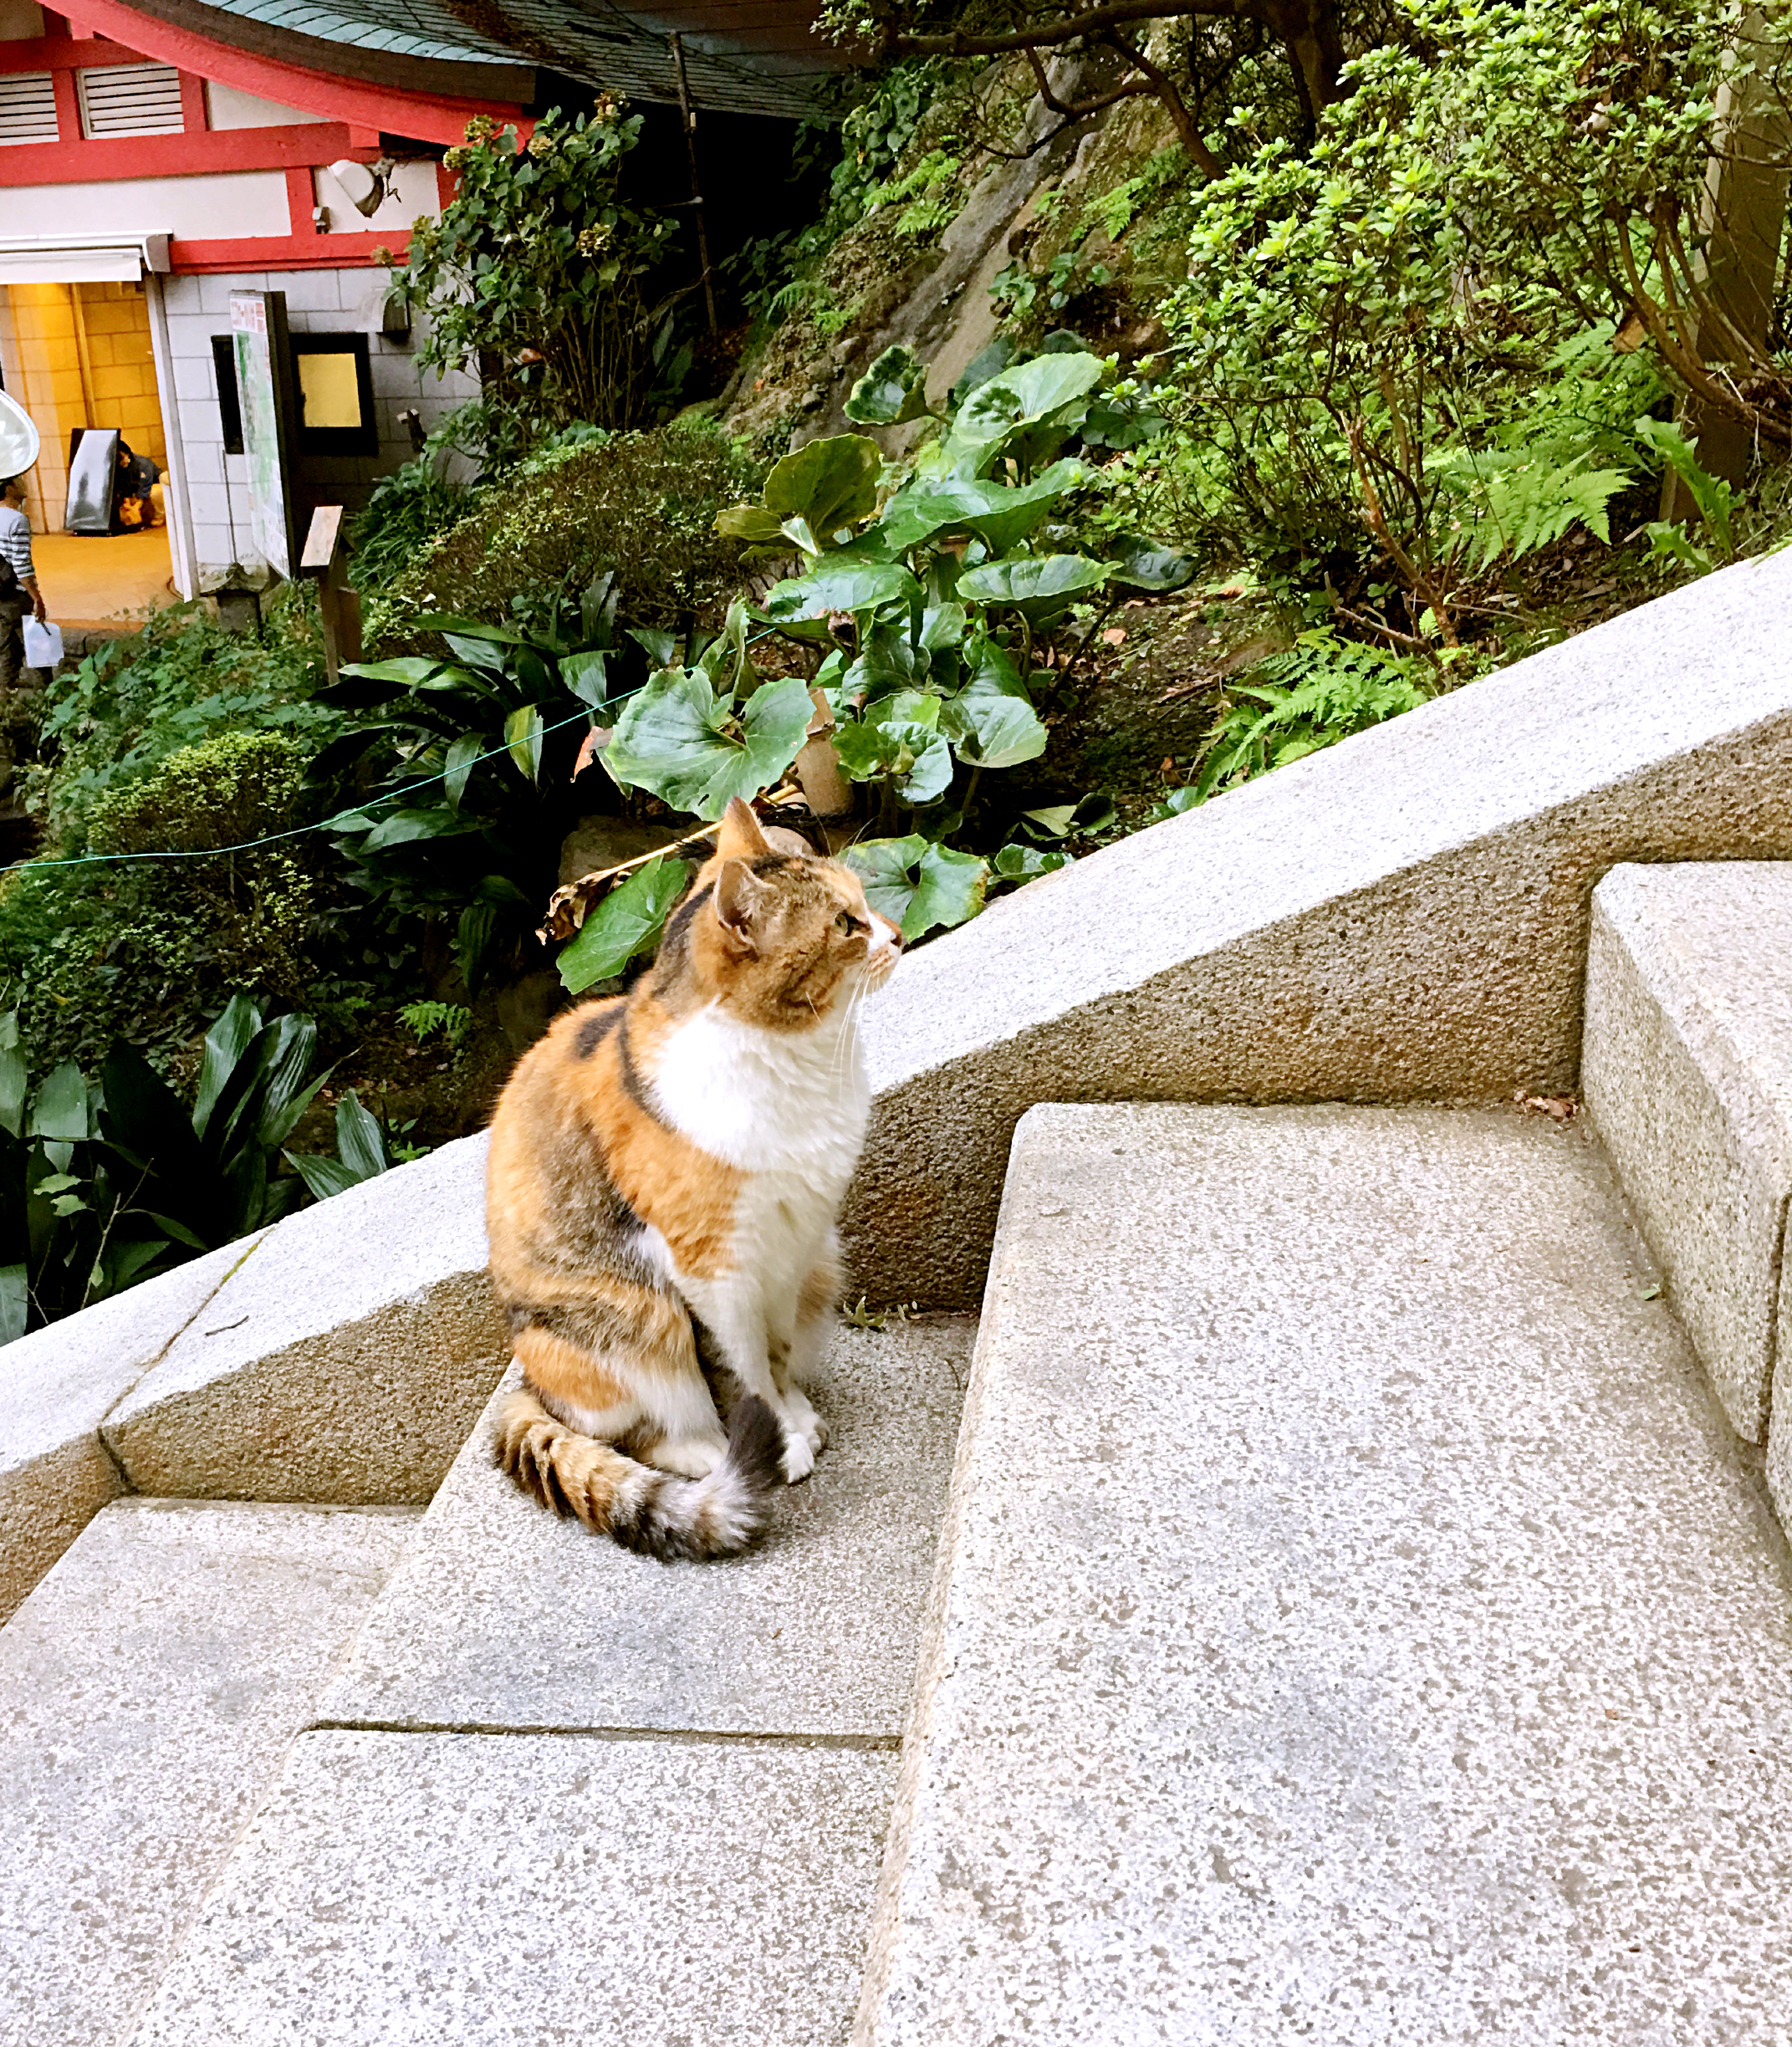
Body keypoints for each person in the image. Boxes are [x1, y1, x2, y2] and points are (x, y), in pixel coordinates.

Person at [0, 472, 47, 692]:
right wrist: (36, 598)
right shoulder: (16, 520)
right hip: (17, 593)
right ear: (8, 488)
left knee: (9, 645)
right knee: (39, 643)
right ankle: (49, 693)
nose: (23, 482)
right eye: (17, 479)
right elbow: (21, 565)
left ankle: (6, 692)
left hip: (1, 593)